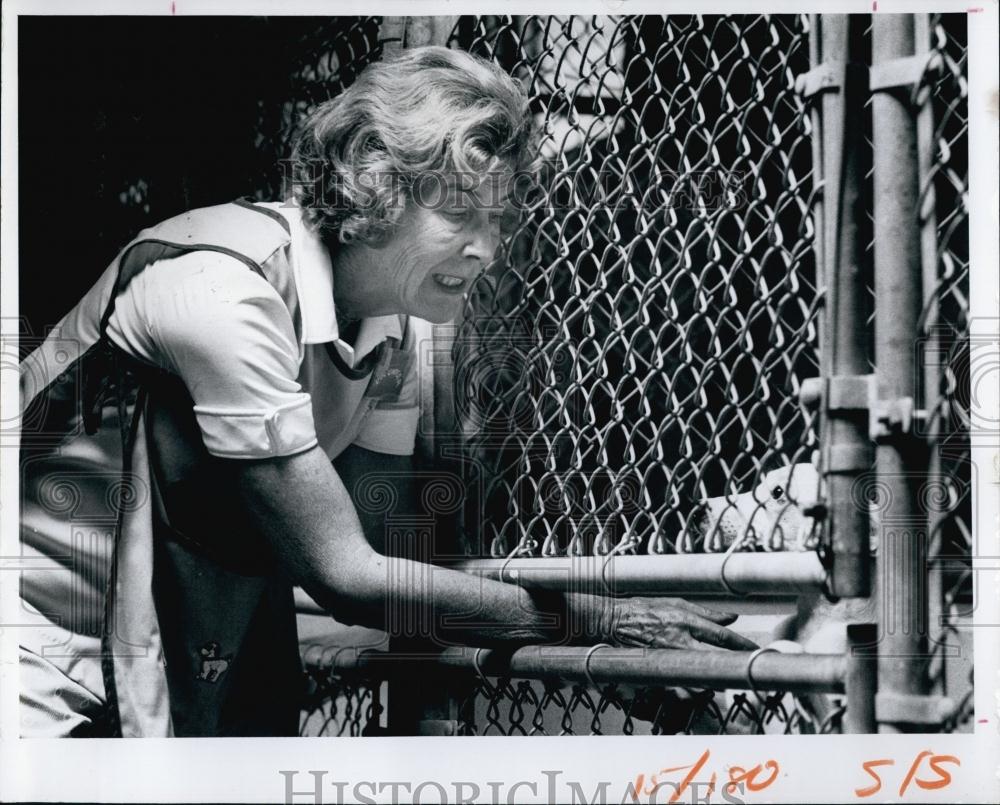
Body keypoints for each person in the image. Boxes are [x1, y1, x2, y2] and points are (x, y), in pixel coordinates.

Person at [18, 45, 755, 738]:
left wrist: (590, 655)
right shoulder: (222, 290)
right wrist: (600, 625)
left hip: (176, 633)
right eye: (460, 213)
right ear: (375, 187)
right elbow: (349, 577)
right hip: (33, 638)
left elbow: (382, 551)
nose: (488, 249)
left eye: (497, 220)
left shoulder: (396, 328)